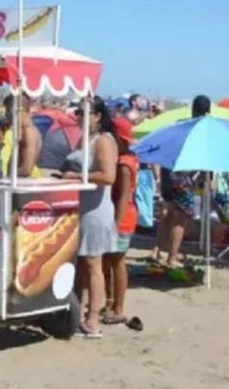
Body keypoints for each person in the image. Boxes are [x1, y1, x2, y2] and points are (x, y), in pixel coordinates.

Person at [62, 98, 118, 338]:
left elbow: (108, 176)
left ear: (97, 116)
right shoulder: (85, 139)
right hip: (83, 206)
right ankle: (79, 313)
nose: (78, 117)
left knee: (94, 264)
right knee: (83, 264)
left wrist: (76, 177)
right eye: (77, 112)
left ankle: (93, 319)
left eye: (83, 113)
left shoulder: (103, 141)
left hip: (96, 210)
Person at [151, 95, 211, 267]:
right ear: (208, 111)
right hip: (183, 178)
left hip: (167, 174)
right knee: (180, 220)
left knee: (169, 215)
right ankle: (172, 257)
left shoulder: (180, 125)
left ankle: (156, 250)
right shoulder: (202, 130)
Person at [103, 117, 138, 325]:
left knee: (117, 261)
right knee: (108, 260)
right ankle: (110, 301)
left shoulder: (125, 164)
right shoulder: (125, 160)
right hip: (121, 215)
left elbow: (124, 197)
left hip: (123, 217)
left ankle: (118, 307)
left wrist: (115, 224)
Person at [1, 92, 42, 178]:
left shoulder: (28, 132)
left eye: (7, 111)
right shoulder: (24, 131)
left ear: (15, 110)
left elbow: (26, 169)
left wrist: (7, 177)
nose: (6, 116)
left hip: (21, 183)